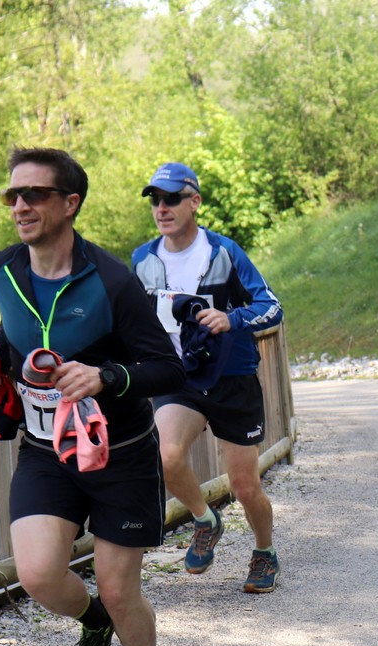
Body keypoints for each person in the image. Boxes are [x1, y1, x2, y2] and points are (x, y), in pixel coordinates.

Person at [0, 147, 185, 646]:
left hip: (121, 453)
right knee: (38, 574)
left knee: (117, 585)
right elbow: (16, 334)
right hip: (46, 450)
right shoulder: (2, 270)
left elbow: (168, 367)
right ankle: (94, 622)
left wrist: (106, 376)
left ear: (70, 203)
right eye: (12, 195)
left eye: (34, 194)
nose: (19, 205)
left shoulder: (112, 281)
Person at [131, 162, 284, 594]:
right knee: (166, 455)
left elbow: (272, 306)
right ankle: (205, 519)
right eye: (155, 200)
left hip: (232, 377)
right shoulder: (143, 260)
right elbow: (130, 320)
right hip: (178, 377)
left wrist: (231, 319)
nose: (162, 208)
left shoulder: (224, 252)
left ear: (194, 201)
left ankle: (264, 552)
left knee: (244, 485)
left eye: (171, 199)